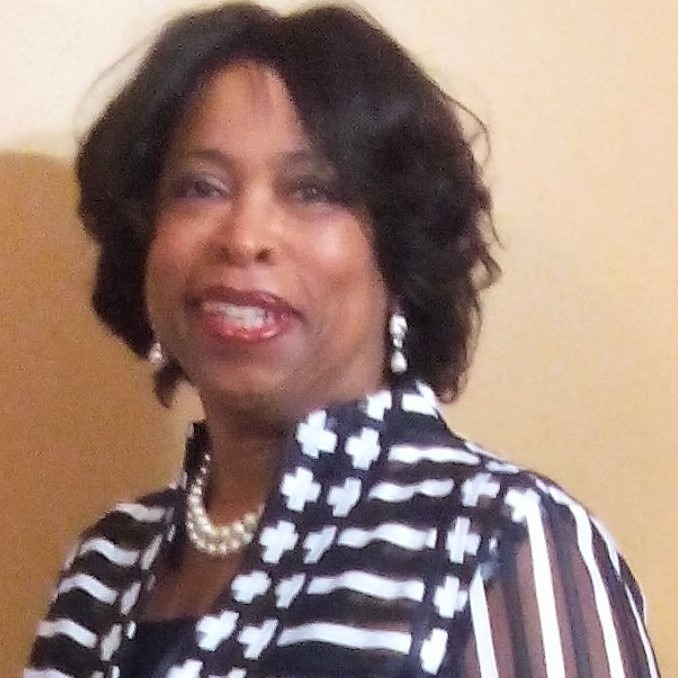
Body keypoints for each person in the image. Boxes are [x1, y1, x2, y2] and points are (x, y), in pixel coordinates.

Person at [25, 3, 660, 677]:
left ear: (401, 252)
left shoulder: (500, 540)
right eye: (200, 188)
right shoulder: (106, 565)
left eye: (313, 191)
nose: (244, 237)